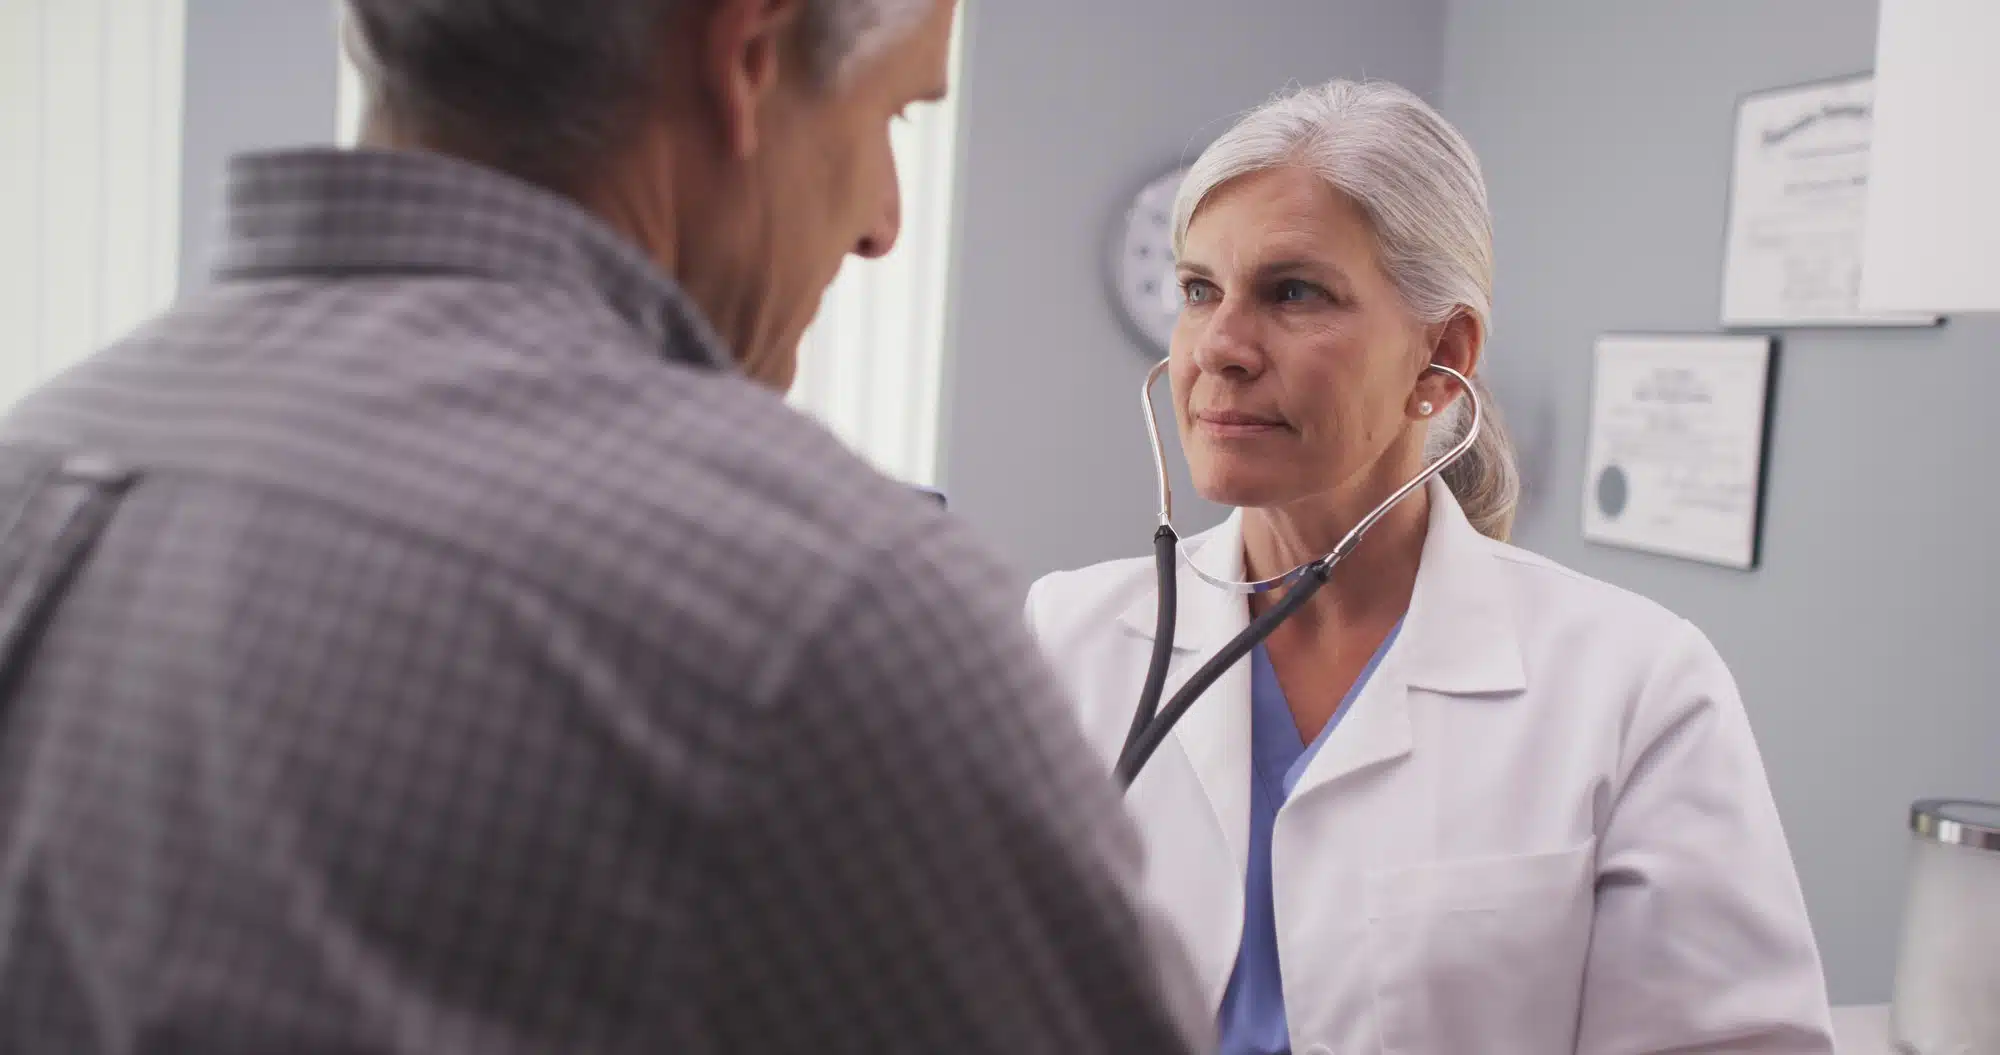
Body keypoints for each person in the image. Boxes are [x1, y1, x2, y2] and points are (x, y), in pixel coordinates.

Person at [0, 1, 1207, 1051]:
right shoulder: (820, 604)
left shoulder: (36, 467)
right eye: (893, 115)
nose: (883, 221)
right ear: (747, 52)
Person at [1025, 80, 1836, 1055]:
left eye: (1292, 292)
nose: (1221, 347)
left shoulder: (1635, 685)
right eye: (1199, 289)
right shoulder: (1064, 638)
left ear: (1438, 353)